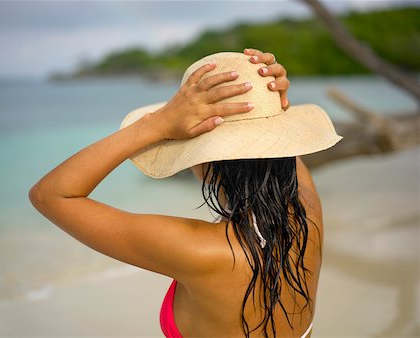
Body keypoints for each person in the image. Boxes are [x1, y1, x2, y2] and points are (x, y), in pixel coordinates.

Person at [29, 48, 343, 337]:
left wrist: (155, 125)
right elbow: (280, 151)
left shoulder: (200, 251)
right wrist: (274, 103)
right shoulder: (306, 213)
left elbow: (51, 195)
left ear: (205, 162)